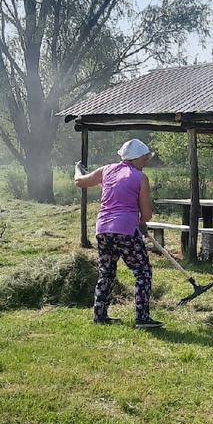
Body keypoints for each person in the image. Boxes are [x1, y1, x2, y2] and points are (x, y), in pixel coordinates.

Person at [74, 139, 163, 329]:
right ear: (136, 158)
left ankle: (100, 314)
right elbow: (146, 214)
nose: (146, 162)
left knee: (106, 272)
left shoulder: (107, 170)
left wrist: (77, 169)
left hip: (103, 230)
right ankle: (142, 317)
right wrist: (140, 222)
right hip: (126, 231)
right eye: (145, 159)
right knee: (142, 271)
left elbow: (79, 181)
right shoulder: (140, 177)